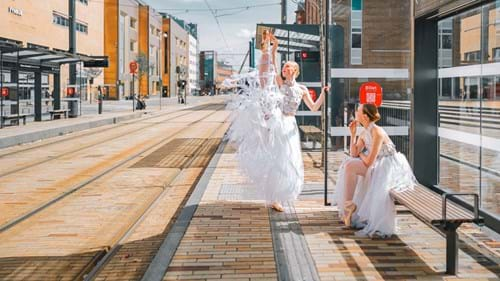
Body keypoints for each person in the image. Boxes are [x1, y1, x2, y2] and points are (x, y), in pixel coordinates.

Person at [226, 30, 329, 212]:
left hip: (291, 125)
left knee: (290, 158)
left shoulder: (302, 89)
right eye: (284, 67)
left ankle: (283, 193)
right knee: (278, 159)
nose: (284, 69)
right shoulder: (280, 83)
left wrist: (323, 94)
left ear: (295, 71)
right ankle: (275, 197)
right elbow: (272, 62)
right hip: (279, 123)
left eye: (288, 67)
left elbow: (314, 107)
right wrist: (274, 48)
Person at [333, 103, 416, 237]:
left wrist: (361, 154)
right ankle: (348, 206)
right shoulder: (365, 132)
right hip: (376, 162)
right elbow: (353, 153)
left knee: (351, 165)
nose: (356, 112)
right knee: (349, 164)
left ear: (365, 116)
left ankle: (350, 208)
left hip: (388, 164)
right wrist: (352, 135)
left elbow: (369, 161)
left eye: (358, 111)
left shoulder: (377, 131)